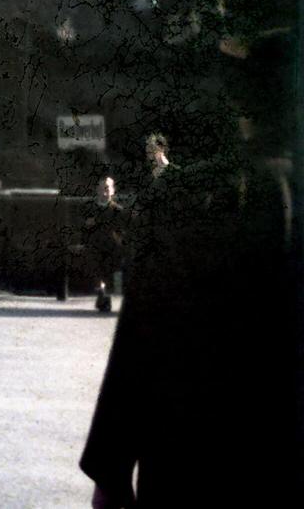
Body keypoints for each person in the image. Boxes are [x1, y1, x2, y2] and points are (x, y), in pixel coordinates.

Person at [80, 31, 296, 507]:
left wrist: (111, 467)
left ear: (248, 104)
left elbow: (142, 332)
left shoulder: (194, 198)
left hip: (195, 453)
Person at [81, 176, 124, 313]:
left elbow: (123, 231)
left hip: (112, 247)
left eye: (107, 188)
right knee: (96, 273)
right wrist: (86, 226)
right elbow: (81, 227)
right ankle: (103, 295)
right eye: (101, 188)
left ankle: (104, 297)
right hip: (94, 246)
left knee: (108, 274)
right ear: (97, 190)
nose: (104, 191)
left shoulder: (118, 210)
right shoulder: (88, 208)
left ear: (113, 191)